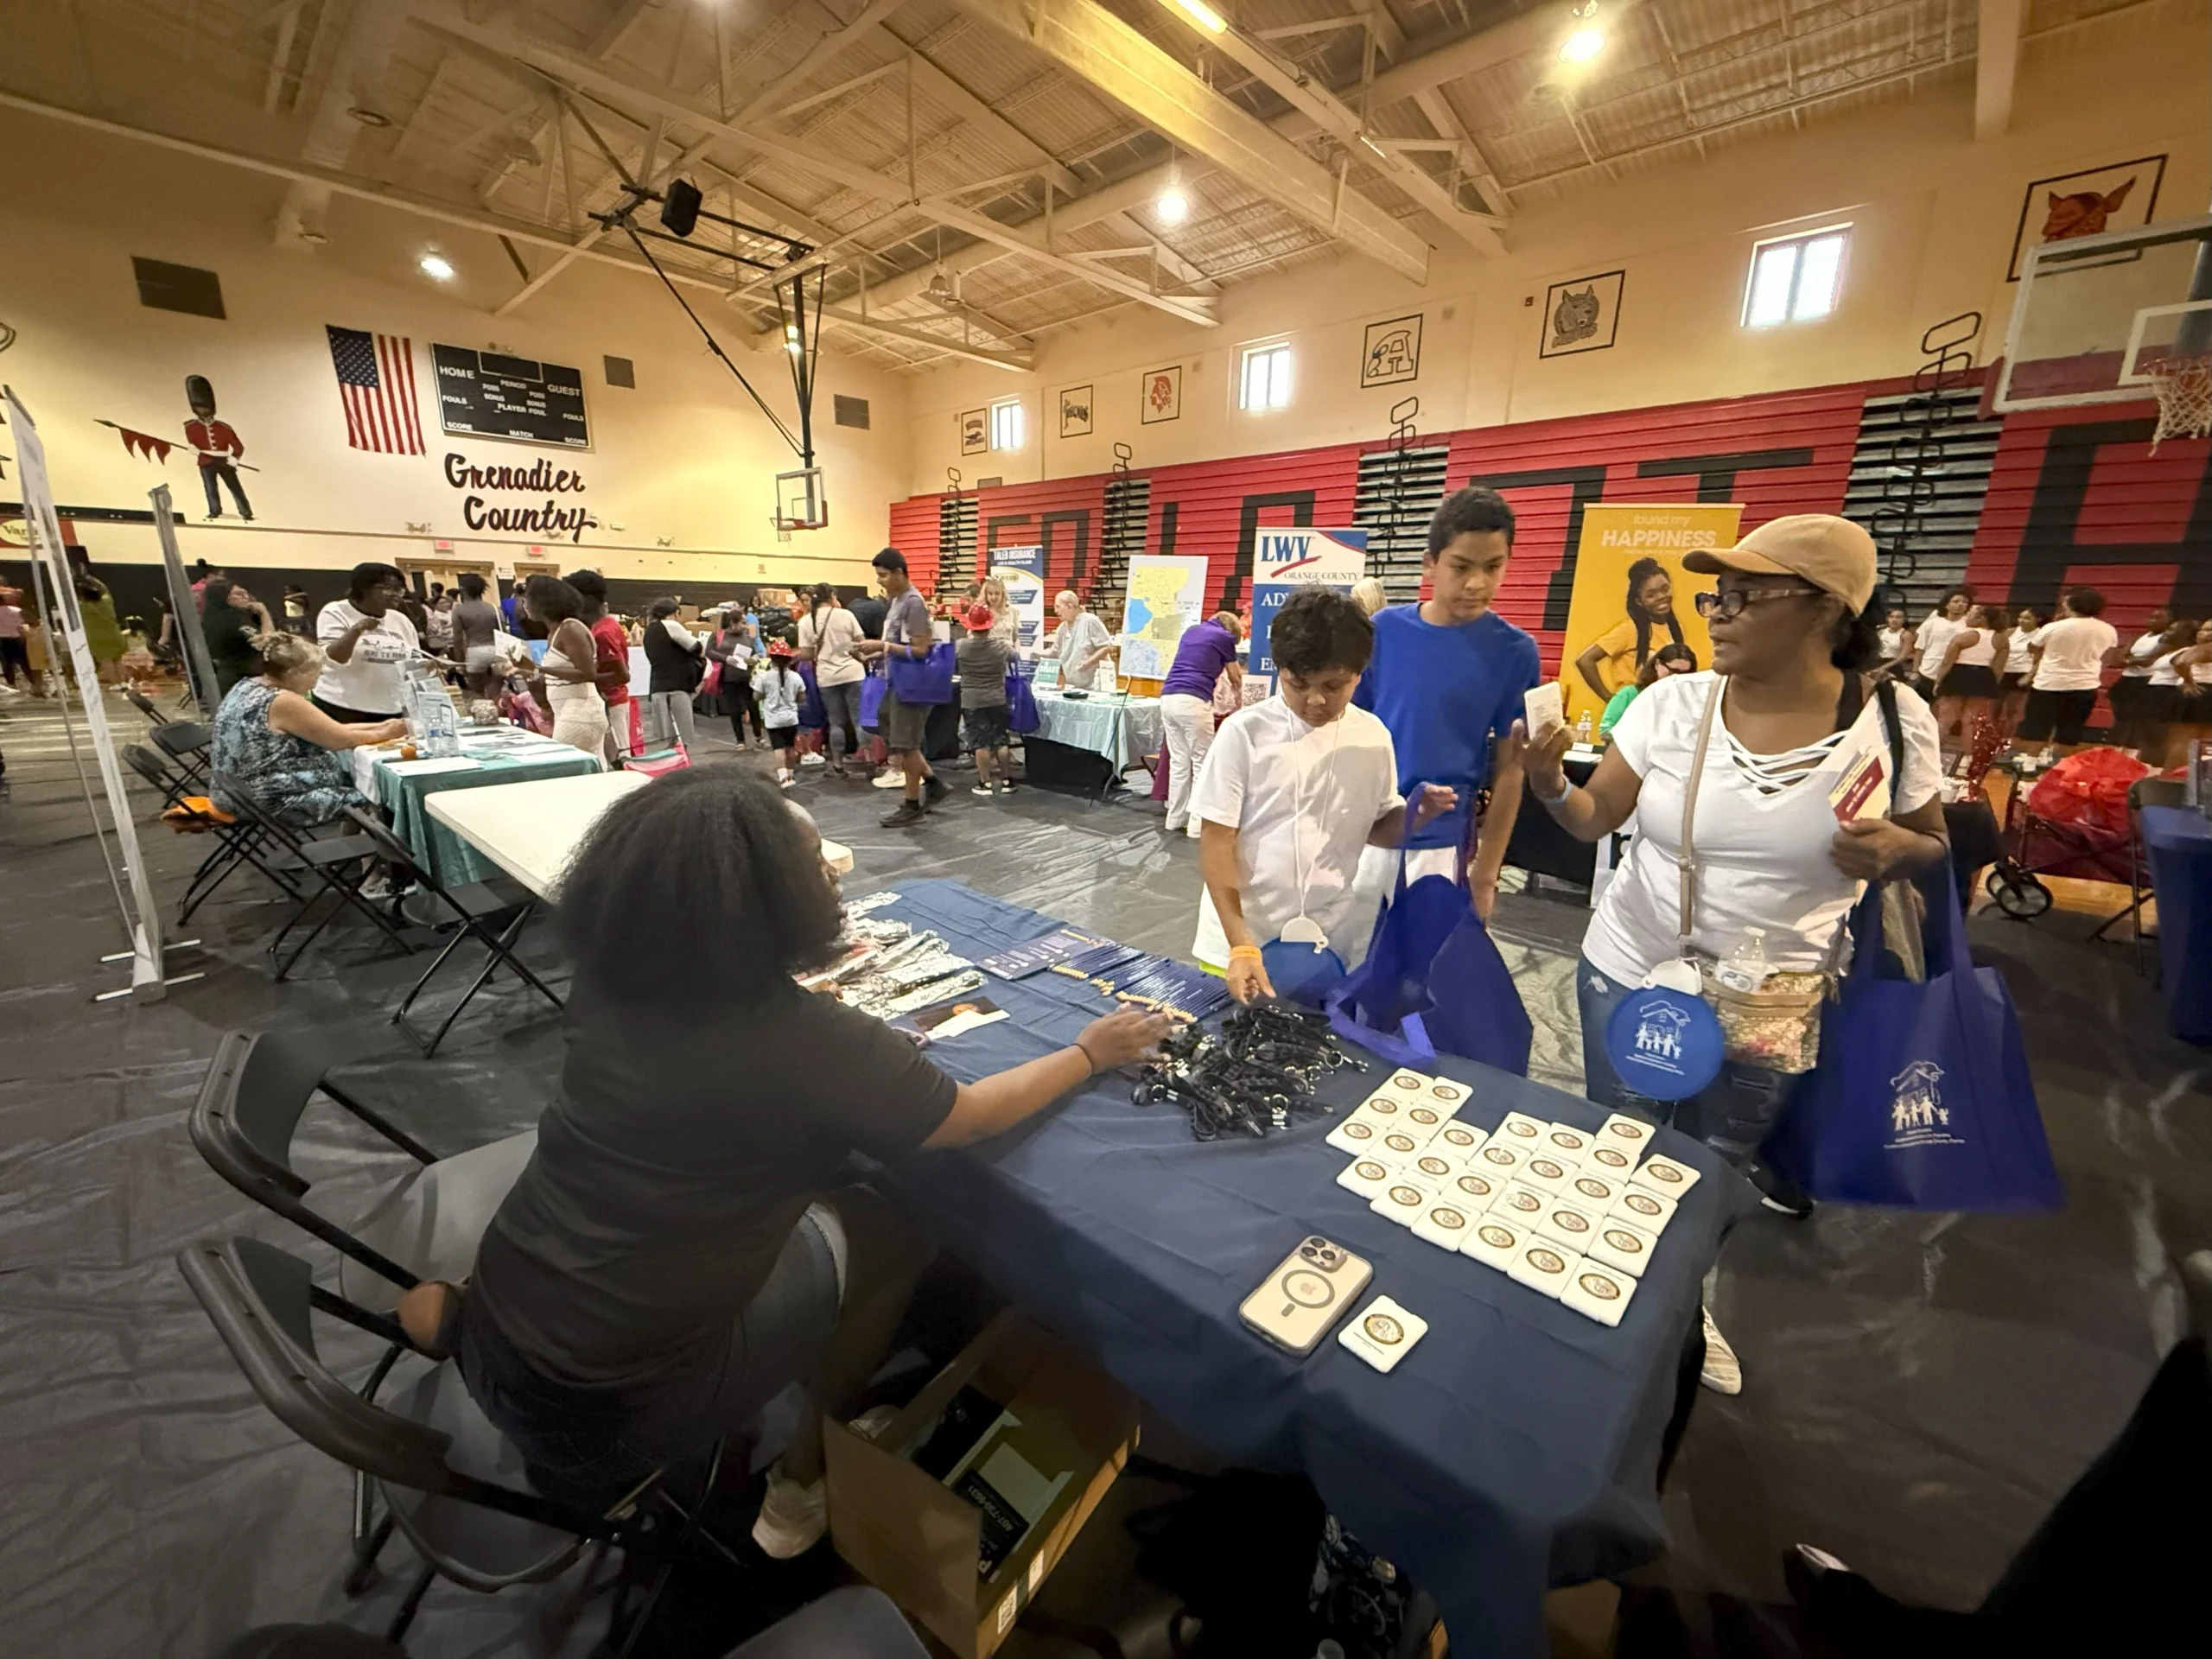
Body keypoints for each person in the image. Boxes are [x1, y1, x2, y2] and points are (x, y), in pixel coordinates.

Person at [396, 772, 1169, 1553]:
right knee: (895, 1230)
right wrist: (1087, 1053)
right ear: (761, 903)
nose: (834, 872)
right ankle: (801, 1484)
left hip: (497, 1329)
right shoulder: (804, 1039)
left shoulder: (608, 979)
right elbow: (969, 1119)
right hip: (611, 1419)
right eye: (814, 863)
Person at [1506, 513, 1948, 1395]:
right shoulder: (1673, 705)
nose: (1718, 613)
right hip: (1635, 968)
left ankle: (1680, 1304)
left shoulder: (1894, 720)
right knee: (1622, 1142)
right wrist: (1551, 782)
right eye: (1718, 595)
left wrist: (1901, 849)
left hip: (1773, 993)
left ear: (1826, 609)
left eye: (1747, 595)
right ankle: (1601, 1292)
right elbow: (1595, 819)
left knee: (1716, 1162)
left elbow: (1932, 840)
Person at [1193, 588, 1456, 996]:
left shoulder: (1372, 737)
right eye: (1298, 684)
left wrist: (1415, 817)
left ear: (1359, 674)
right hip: (1240, 942)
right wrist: (1240, 944)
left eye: (1334, 685)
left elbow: (1378, 829)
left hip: (1326, 941)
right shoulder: (1245, 733)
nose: (1315, 700)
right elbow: (1216, 842)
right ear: (1280, 670)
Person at [1352, 486, 1539, 921]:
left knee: (1427, 959)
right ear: (1430, 563)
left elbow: (1511, 769)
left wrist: (1486, 875)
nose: (1477, 584)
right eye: (1461, 567)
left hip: (1442, 844)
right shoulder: (1382, 632)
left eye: (1493, 567)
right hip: (1364, 831)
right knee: (1344, 952)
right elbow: (1346, 732)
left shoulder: (1515, 652)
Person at [210, 633, 406, 828]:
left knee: (362, 784)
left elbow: (330, 728)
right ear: (294, 673)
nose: (318, 679)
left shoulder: (247, 686)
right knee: (381, 797)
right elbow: (339, 740)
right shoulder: (283, 701)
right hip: (270, 800)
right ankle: (384, 847)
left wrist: (386, 726)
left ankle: (356, 846)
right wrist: (390, 732)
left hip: (236, 792)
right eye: (316, 672)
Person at [853, 549, 947, 828]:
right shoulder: (896, 601)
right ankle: (932, 783)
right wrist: (873, 654)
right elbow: (898, 645)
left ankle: (912, 803)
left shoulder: (913, 604)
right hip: (897, 681)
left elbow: (920, 649)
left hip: (912, 685)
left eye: (883, 575)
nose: (879, 581)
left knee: (906, 745)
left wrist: (881, 646)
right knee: (892, 732)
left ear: (899, 573)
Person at [1159, 610, 1245, 836]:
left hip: (1168, 697)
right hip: (1194, 701)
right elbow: (1235, 676)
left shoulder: (1191, 631)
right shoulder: (1224, 637)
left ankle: (1174, 819)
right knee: (1202, 764)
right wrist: (1241, 700)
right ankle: (1197, 826)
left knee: (1179, 762)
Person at [312, 563, 418, 723]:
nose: (396, 594)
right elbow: (334, 658)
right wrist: (356, 630)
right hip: (343, 706)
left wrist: (429, 666)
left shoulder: (400, 620)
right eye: (388, 588)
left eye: (399, 589)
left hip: (391, 708)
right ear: (363, 588)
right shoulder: (336, 612)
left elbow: (413, 661)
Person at [1575, 556, 1687, 702]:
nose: (1661, 597)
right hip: (1634, 709)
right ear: (1639, 601)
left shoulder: (1675, 630)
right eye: (1651, 595)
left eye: (1665, 589)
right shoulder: (1630, 629)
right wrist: (1612, 700)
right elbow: (1584, 661)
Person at [2018, 588, 2118, 750]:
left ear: (2071, 604)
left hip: (2049, 683)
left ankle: (2031, 760)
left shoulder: (2054, 627)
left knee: (2037, 729)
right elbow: (2109, 657)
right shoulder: (2109, 629)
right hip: (2085, 685)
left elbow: (2033, 647)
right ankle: (2061, 762)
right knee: (2070, 732)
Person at [524, 575, 612, 755]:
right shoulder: (556, 631)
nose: (525, 604)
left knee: (565, 764)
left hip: (580, 714)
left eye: (528, 599)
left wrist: (540, 668)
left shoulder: (570, 629)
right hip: (569, 711)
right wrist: (526, 670)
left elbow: (588, 673)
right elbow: (555, 676)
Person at [797, 583, 867, 778]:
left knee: (836, 723)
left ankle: (838, 765)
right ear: (832, 596)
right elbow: (861, 643)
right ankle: (870, 761)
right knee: (859, 720)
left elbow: (806, 654)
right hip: (853, 673)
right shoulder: (846, 615)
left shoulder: (805, 622)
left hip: (827, 677)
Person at [567, 570, 635, 760]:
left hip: (612, 701)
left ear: (586, 599)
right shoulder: (602, 625)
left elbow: (623, 675)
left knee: (620, 756)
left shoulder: (603, 632)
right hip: (608, 700)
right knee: (611, 753)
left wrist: (584, 676)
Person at [1932, 604, 2005, 763]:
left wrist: (1939, 681)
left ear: (1982, 619)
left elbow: (1947, 662)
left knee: (1945, 719)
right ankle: (1968, 758)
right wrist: (1990, 686)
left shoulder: (1964, 637)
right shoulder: (2001, 639)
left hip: (1958, 674)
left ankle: (1933, 753)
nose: (1968, 617)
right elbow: (1998, 668)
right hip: (1983, 676)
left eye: (1972, 614)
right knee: (1971, 721)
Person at [956, 602, 1012, 797]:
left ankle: (985, 783)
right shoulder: (1001, 647)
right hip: (997, 698)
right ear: (990, 625)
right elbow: (1015, 658)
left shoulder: (961, 646)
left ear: (970, 626)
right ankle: (1007, 780)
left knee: (980, 743)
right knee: (1001, 740)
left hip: (972, 701)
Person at [2134, 619, 2207, 767]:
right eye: (2203, 629)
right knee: (2165, 737)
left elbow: (2182, 664)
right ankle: (2159, 769)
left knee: (2178, 739)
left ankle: (2168, 772)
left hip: (2176, 692)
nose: (2204, 633)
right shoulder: (2182, 649)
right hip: (2165, 692)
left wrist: (2187, 681)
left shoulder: (2198, 649)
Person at [641, 598, 705, 753]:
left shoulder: (649, 630)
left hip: (658, 687)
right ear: (676, 613)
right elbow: (697, 647)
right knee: (682, 739)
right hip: (677, 688)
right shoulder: (671, 625)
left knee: (669, 740)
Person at [1599, 642, 1696, 736]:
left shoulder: (1688, 702)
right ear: (1657, 664)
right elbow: (1606, 731)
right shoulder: (1631, 694)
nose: (1677, 678)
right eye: (1672, 671)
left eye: (1684, 674)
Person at [2113, 606, 2174, 751]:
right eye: (2151, 617)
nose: (2153, 621)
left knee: (2139, 718)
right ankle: (2117, 747)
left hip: (2146, 680)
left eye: (2159, 618)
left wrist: (2129, 660)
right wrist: (2132, 660)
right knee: (2121, 716)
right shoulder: (2139, 636)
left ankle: (2133, 750)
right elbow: (2118, 658)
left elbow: (2150, 660)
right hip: (2127, 679)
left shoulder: (2167, 639)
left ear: (2170, 621)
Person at [200, 577, 273, 696]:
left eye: (246, 593)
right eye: (239, 594)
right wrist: (264, 612)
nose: (246, 597)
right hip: (242, 679)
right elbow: (267, 641)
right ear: (224, 597)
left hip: (231, 676)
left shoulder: (211, 617)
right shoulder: (233, 619)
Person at [708, 610, 765, 750]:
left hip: (748, 676)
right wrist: (725, 658)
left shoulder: (748, 634)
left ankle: (759, 736)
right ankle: (740, 740)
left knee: (753, 707)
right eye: (743, 622)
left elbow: (757, 651)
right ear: (733, 623)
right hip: (729, 677)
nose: (746, 625)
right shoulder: (718, 635)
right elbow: (709, 651)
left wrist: (755, 658)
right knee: (734, 709)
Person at [754, 640, 805, 787]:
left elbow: (756, 697)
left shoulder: (764, 677)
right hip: (791, 718)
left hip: (773, 720)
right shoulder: (796, 677)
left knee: (778, 748)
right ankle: (790, 775)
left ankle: (783, 778)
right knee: (790, 747)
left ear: (771, 658)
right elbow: (802, 698)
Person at [1911, 589, 1974, 699]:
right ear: (1946, 605)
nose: (1961, 604)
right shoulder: (1931, 624)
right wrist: (1915, 671)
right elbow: (1920, 648)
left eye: (1964, 602)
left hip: (1953, 673)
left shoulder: (1970, 627)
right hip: (1927, 670)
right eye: (1956, 601)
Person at [1051, 590, 1117, 691]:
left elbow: (1107, 647)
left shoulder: (1090, 621)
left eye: (1058, 607)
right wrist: (1037, 653)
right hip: (1074, 685)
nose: (1055, 611)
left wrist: (1088, 662)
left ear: (1069, 606)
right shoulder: (1062, 628)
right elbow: (1054, 652)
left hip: (1096, 684)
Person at [450, 572, 503, 697]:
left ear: (463, 590)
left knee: (477, 692)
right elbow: (503, 633)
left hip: (475, 651)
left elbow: (458, 639)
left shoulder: (459, 610)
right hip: (495, 651)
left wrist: (459, 663)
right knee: (497, 692)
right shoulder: (494, 608)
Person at [1999, 607, 2042, 738]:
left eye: (2027, 618)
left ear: (2038, 619)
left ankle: (2006, 740)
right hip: (2003, 671)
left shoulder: (2040, 635)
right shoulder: (2010, 632)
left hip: (2021, 673)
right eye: (2020, 617)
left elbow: (2039, 659)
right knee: (1994, 709)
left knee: (2012, 710)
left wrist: (2029, 676)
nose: (2022, 620)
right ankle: (1989, 740)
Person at [0, 590, 32, 691]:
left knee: (7, 664)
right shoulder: (17, 610)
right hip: (18, 638)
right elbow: (24, 623)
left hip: (3, 640)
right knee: (24, 662)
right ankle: (34, 682)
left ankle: (12, 684)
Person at [982, 575, 1020, 648]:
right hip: (989, 653)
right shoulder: (982, 612)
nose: (994, 597)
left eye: (997, 593)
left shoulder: (1013, 612)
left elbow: (1016, 639)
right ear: (986, 595)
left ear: (1003, 594)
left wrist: (1017, 653)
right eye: (990, 594)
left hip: (1009, 653)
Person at [1875, 607, 1913, 679]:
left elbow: (1902, 657)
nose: (1894, 619)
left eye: (1898, 617)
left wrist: (1883, 668)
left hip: (1894, 666)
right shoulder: (1881, 632)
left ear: (1904, 620)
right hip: (1878, 663)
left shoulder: (1906, 635)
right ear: (1887, 619)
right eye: (1891, 617)